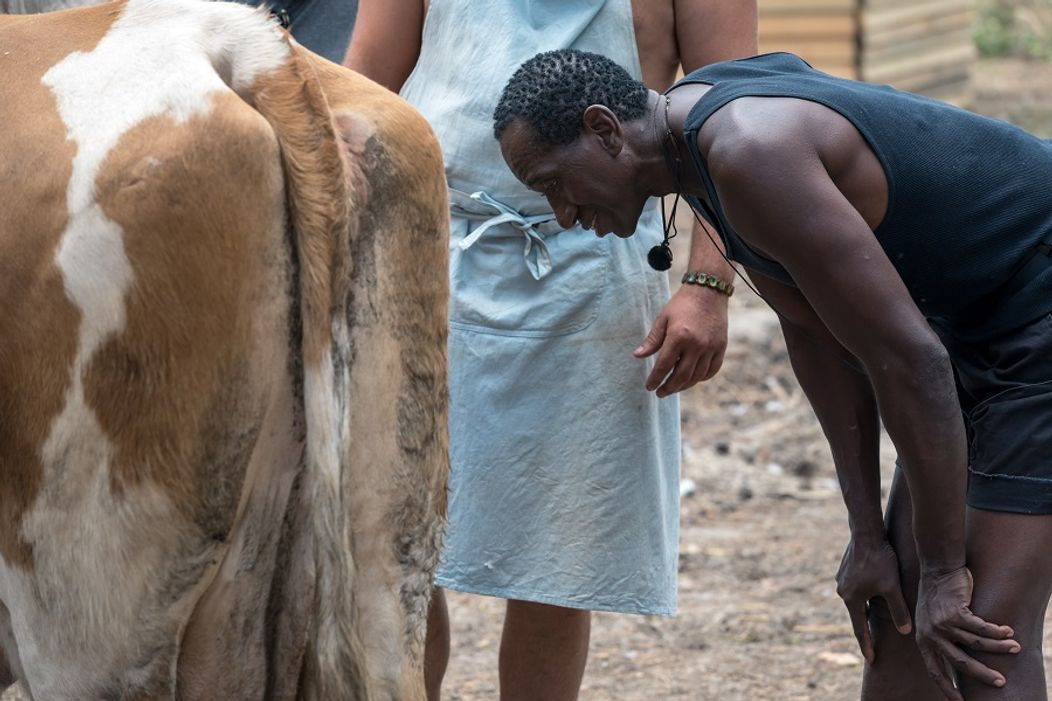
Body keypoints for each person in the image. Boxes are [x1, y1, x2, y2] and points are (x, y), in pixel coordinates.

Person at [495, 49, 1052, 701]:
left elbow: (912, 362)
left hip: (1032, 313)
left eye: (555, 183)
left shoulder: (748, 150)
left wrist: (944, 567)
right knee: (899, 615)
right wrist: (869, 538)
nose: (563, 213)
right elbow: (817, 334)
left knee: (977, 633)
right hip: (978, 321)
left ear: (604, 130)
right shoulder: (694, 148)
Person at [344, 3, 756, 700]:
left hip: (596, 259)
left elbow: (732, 113)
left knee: (560, 553)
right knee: (396, 542)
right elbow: (363, 84)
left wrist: (707, 282)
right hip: (426, 246)